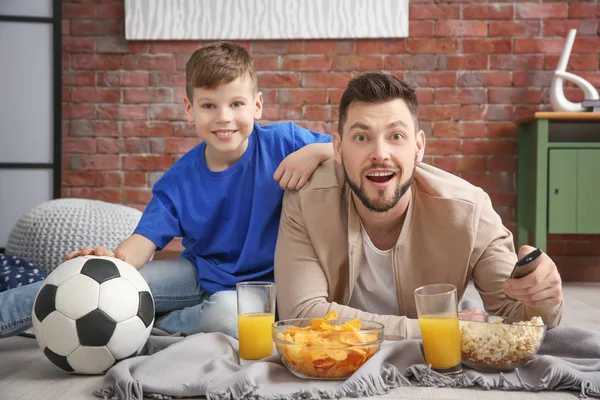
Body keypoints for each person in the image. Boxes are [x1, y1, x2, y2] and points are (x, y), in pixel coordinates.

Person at [0, 42, 332, 339]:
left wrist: (317, 151)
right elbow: (142, 243)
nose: (224, 117)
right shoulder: (179, 180)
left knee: (227, 317)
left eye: (236, 103)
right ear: (189, 110)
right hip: (198, 273)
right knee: (85, 282)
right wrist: (109, 263)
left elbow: (350, 151)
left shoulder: (285, 142)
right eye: (208, 106)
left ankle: (157, 323)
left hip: (262, 286)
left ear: (257, 105)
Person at [274, 72, 563, 340]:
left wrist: (544, 301)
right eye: (361, 137)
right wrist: (436, 329)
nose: (380, 154)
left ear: (419, 146)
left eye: (396, 136)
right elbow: (300, 315)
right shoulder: (307, 200)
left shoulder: (470, 212)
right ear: (338, 148)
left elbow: (517, 318)